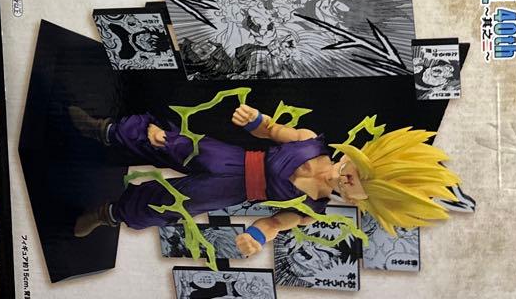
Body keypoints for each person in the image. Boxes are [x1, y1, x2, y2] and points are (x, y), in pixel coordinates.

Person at [71, 99, 459, 257]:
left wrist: (256, 237)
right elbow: (272, 132)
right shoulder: (310, 141)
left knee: (165, 205)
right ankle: (105, 130)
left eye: (357, 187)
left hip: (225, 191)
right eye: (355, 172)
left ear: (363, 202)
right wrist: (256, 121)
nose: (347, 179)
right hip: (229, 156)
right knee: (168, 141)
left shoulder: (312, 208)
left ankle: (108, 214)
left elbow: (275, 223)